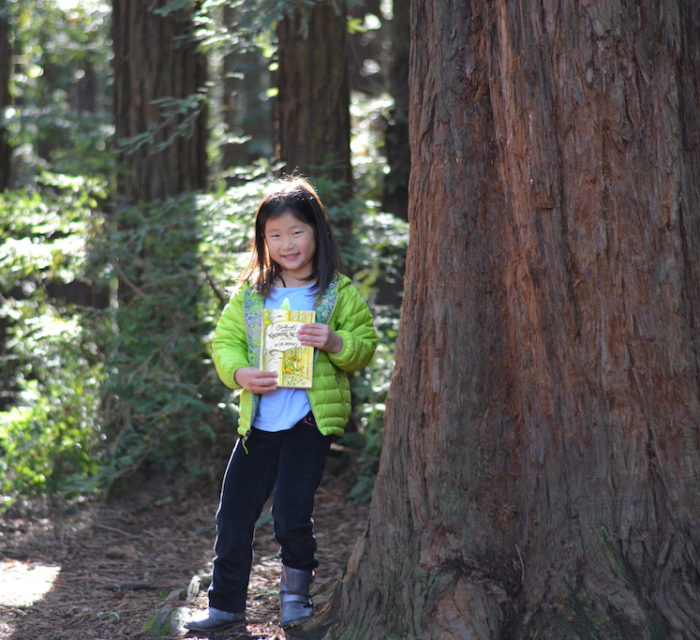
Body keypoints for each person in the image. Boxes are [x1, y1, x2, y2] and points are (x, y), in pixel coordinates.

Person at [184, 177, 378, 633]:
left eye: (297, 232)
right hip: (259, 422)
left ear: (317, 233)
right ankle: (226, 604)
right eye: (275, 235)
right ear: (263, 241)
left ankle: (296, 598)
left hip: (309, 421)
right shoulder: (253, 294)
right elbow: (226, 342)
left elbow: (364, 346)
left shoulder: (337, 293)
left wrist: (334, 341)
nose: (287, 243)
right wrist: (239, 374)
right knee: (233, 513)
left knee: (292, 513)